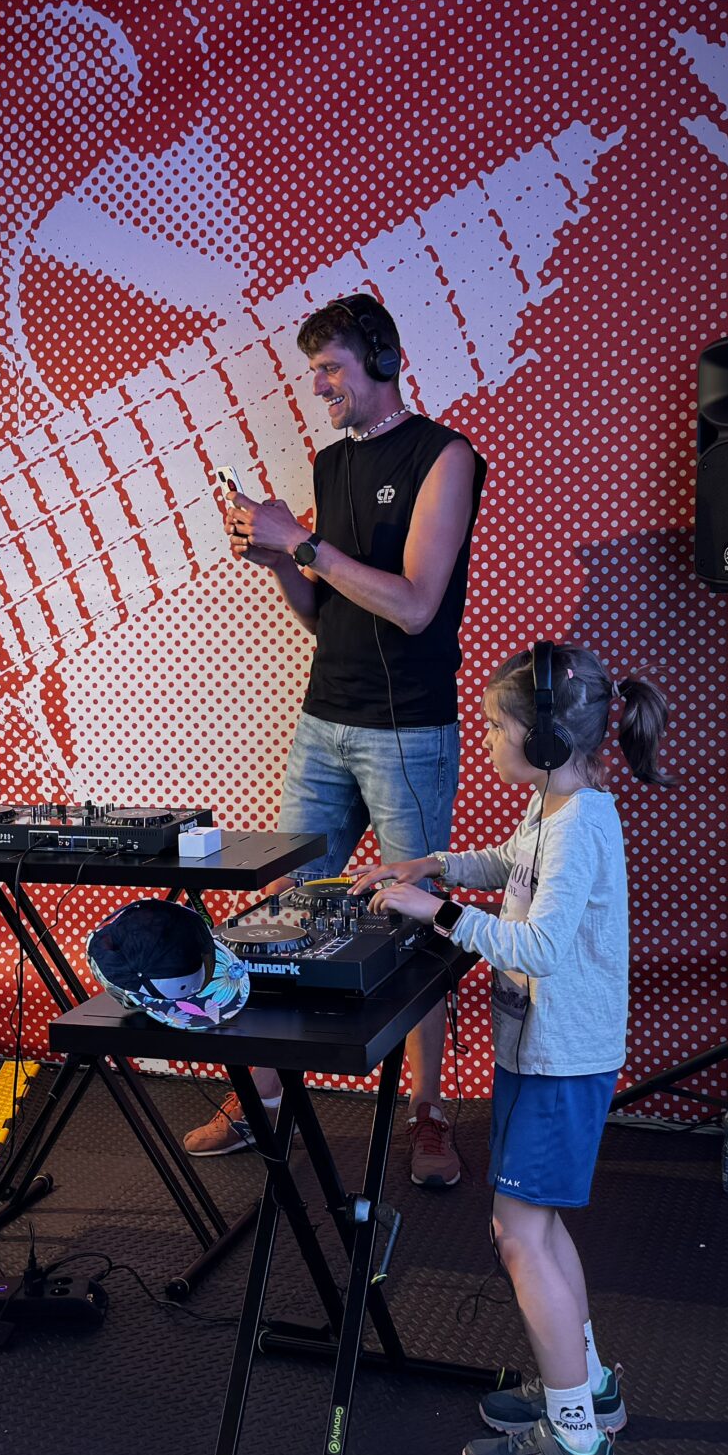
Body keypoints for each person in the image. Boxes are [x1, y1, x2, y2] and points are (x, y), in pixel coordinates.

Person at [356, 644, 673, 1455]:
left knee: (519, 1236)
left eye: (497, 726)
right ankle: (588, 1388)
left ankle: (576, 1446)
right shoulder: (556, 805)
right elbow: (510, 864)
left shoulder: (580, 824)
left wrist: (438, 912)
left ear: (545, 738)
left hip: (561, 1061)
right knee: (539, 1228)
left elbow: (538, 945)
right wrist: (435, 867)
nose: (487, 738)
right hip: (543, 1052)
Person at [204, 293, 484, 1188]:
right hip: (324, 723)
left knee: (417, 920)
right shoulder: (331, 465)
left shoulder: (445, 456)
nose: (319, 385)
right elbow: (327, 616)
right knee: (282, 908)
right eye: (314, 370)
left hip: (409, 733)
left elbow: (416, 605)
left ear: (384, 359)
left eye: (331, 368)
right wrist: (280, 559)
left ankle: (430, 1114)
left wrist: (304, 542)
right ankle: (263, 1098)